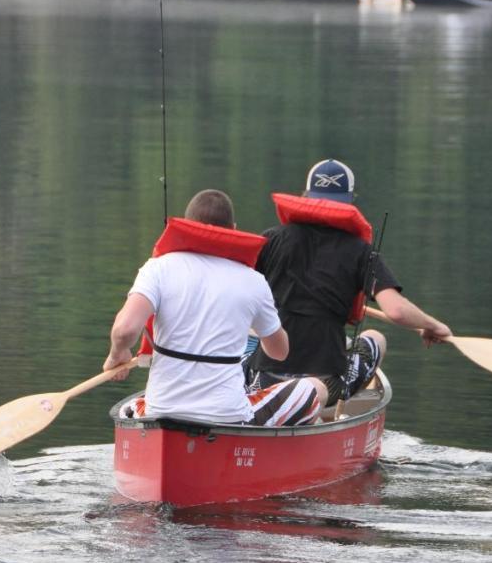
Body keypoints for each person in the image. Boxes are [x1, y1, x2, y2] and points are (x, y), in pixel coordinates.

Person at [104, 189, 327, 426]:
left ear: (188, 225)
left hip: (161, 410)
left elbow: (125, 330)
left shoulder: (157, 268)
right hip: (227, 416)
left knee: (128, 409)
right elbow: (279, 352)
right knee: (315, 388)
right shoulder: (253, 281)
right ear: (233, 229)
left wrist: (116, 354)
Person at [248, 158, 452, 404]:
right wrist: (433, 325)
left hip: (266, 378)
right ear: (349, 201)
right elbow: (397, 310)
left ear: (306, 195)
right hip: (326, 383)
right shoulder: (361, 252)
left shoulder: (272, 239)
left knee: (249, 337)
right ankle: (329, 411)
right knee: (376, 339)